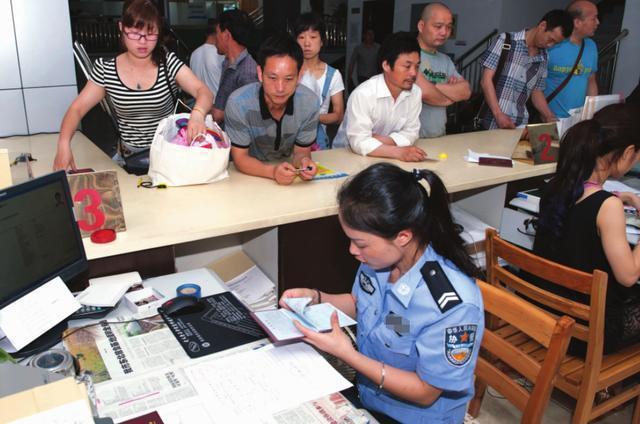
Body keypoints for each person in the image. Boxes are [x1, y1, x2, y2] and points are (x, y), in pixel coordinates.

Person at [280, 163, 484, 423]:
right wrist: (316, 297)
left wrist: (347, 354)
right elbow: (364, 305)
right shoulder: (378, 262)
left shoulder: (452, 306)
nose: (352, 251)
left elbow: (425, 392)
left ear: (402, 236)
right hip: (370, 396)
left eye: (360, 243)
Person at [53, 0, 212, 171]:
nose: (143, 42)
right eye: (135, 33)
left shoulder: (168, 64)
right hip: (130, 159)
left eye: (151, 34)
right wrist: (63, 144)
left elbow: (203, 91)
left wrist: (198, 113)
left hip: (168, 156)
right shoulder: (106, 70)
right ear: (122, 27)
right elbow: (77, 109)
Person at [534, 103, 640, 356]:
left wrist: (613, 197)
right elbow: (628, 276)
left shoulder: (556, 186)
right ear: (626, 153)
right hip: (586, 334)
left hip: (546, 315)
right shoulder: (608, 207)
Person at [224, 34, 319, 185]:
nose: (280, 88)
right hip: (246, 180)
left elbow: (301, 151)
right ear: (260, 74)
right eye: (272, 78)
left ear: (299, 76)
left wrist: (304, 163)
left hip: (286, 176)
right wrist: (273, 172)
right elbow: (240, 158)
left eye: (288, 79)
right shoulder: (238, 103)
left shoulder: (309, 102)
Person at [333, 32, 427, 162]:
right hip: (347, 156)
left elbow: (412, 132)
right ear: (386, 65)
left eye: (417, 66)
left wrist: (381, 141)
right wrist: (399, 152)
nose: (413, 73)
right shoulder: (363, 94)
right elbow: (359, 142)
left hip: (386, 157)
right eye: (407, 66)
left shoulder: (415, 93)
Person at [479, 9, 573, 130]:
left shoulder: (544, 57)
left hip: (520, 125)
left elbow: (536, 91)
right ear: (542, 25)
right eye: (551, 39)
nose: (550, 45)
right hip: (492, 122)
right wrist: (498, 114)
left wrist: (549, 116)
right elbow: (486, 81)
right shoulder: (506, 41)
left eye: (555, 43)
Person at [415, 2, 471, 138]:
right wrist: (450, 95)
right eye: (438, 26)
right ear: (421, 26)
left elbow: (466, 91)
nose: (444, 32)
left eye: (449, 27)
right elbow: (422, 92)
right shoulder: (408, 54)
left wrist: (429, 86)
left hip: (439, 136)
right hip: (411, 140)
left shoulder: (445, 60)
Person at [294, 13, 344, 150]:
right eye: (301, 37)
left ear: (322, 41)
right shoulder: (289, 72)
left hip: (317, 143)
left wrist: (310, 117)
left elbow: (339, 115)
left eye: (313, 37)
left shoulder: (333, 75)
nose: (307, 43)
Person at [544, 0, 599, 119]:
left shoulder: (591, 46)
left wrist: (591, 113)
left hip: (578, 122)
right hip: (549, 119)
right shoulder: (552, 44)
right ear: (577, 22)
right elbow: (534, 85)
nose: (598, 22)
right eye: (593, 18)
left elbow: (591, 80)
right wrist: (545, 114)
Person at [211, 9, 258, 124]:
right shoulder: (228, 63)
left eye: (216, 33)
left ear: (226, 35)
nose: (214, 38)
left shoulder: (248, 72)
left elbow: (249, 115)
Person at [190, 18, 224, 112]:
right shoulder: (220, 54)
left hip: (199, 107)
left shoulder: (194, 54)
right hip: (217, 108)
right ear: (217, 33)